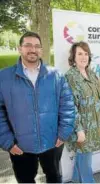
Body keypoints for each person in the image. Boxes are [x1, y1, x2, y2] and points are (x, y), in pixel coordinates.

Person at [0, 31, 75, 183]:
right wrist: (7, 142)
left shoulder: (55, 75)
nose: (32, 49)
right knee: (25, 180)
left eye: (36, 46)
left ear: (41, 50)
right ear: (19, 48)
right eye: (28, 45)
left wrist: (63, 133)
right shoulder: (4, 77)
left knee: (54, 177)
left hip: (53, 142)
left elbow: (67, 105)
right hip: (20, 146)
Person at [65, 41, 100, 183]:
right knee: (85, 162)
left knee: (82, 158)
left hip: (94, 126)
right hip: (82, 128)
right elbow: (70, 106)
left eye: (86, 54)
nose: (83, 57)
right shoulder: (71, 76)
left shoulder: (92, 74)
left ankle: (76, 180)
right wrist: (79, 129)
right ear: (73, 57)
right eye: (80, 54)